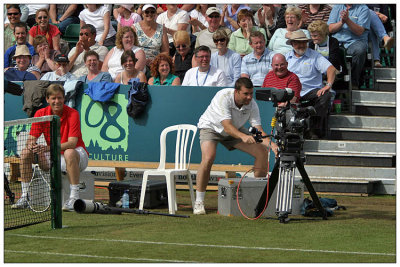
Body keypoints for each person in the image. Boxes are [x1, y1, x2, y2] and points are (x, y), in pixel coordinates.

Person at [194, 77, 278, 215]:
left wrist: (273, 146)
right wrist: (244, 136)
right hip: (211, 128)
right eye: (246, 94)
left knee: (262, 152)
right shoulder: (223, 96)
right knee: (208, 158)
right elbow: (226, 127)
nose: (249, 97)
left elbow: (259, 130)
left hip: (235, 130)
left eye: (251, 93)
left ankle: (259, 199)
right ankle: (199, 202)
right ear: (236, 92)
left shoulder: (252, 104)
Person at [12, 84, 89, 211]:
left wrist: (47, 148)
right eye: (53, 98)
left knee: (69, 152)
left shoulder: (73, 114)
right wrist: (32, 146)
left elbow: (72, 143)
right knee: (25, 152)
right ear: (47, 99)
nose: (57, 101)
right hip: (53, 155)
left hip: (77, 155)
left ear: (64, 99)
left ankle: (74, 197)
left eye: (59, 98)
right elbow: (31, 139)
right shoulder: (40, 114)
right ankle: (25, 196)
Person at [285, 30, 336, 139]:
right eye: (298, 42)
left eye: (304, 42)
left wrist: (328, 85)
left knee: (326, 95)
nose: (301, 45)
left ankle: (313, 129)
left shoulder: (315, 56)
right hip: (291, 92)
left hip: (311, 92)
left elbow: (331, 69)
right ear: (293, 44)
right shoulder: (286, 58)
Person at [327, 4, 370, 89]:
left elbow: (359, 31)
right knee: (326, 49)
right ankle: (333, 81)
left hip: (355, 41)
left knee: (359, 50)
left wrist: (347, 20)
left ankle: (353, 82)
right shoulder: (337, 7)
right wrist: (342, 22)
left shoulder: (363, 9)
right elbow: (330, 29)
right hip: (337, 41)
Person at [132, 4, 169, 70]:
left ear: (155, 13)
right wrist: (142, 60)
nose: (150, 14)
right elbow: (130, 48)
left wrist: (155, 61)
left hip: (156, 62)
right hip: (138, 60)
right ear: (143, 14)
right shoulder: (134, 28)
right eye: (147, 12)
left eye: (152, 12)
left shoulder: (162, 28)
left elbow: (165, 51)